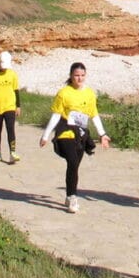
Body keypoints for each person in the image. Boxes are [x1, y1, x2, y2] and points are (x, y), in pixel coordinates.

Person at [40, 62, 111, 212]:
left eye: (82, 75)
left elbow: (94, 115)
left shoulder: (90, 93)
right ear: (71, 76)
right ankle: (73, 197)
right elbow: (56, 115)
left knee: (74, 166)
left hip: (81, 134)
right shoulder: (64, 93)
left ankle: (68, 195)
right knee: (72, 161)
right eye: (76, 75)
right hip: (65, 132)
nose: (79, 78)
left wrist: (102, 134)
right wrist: (45, 135)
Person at [0, 51, 22, 164]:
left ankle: (12, 152)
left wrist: (18, 106)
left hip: (10, 106)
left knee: (10, 129)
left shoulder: (12, 74)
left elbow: (16, 90)